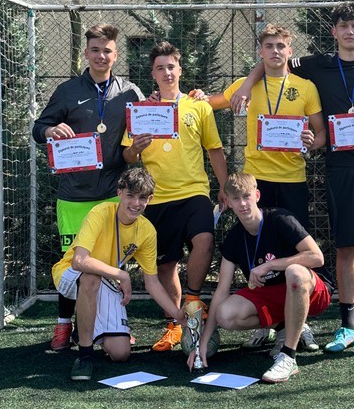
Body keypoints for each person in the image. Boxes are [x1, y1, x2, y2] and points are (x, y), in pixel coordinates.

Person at [231, 2, 354, 359]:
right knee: (345, 249)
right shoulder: (318, 65)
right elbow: (273, 58)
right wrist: (249, 83)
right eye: (343, 25)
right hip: (339, 169)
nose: (349, 31)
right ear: (333, 32)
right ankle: (348, 327)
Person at [203, 24, 326, 353]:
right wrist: (195, 97)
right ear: (260, 52)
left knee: (293, 251)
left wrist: (312, 143)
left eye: (280, 46)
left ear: (289, 50)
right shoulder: (248, 86)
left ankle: (295, 323)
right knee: (255, 249)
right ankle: (266, 318)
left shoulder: (305, 88)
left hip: (292, 181)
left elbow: (321, 135)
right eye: (268, 46)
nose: (274, 51)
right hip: (255, 180)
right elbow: (211, 104)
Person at [32, 23, 144, 351]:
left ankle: (112, 324)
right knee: (72, 264)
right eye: (95, 50)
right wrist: (49, 132)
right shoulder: (67, 90)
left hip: (113, 194)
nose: (101, 55)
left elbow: (148, 117)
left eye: (107, 50)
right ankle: (63, 325)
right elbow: (39, 127)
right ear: (86, 53)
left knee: (111, 263)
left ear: (116, 54)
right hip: (73, 196)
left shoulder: (129, 92)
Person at [122, 41, 228, 352]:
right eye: (160, 68)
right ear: (152, 74)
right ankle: (175, 324)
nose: (167, 72)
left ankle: (194, 299)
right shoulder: (141, 111)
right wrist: (135, 149)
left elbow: (215, 150)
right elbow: (127, 157)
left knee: (204, 241)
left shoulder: (199, 105)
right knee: (165, 267)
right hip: (155, 198)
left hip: (194, 191)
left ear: (180, 70)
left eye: (171, 66)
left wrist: (223, 186)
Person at [189, 172, 332, 383]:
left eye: (246, 196)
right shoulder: (234, 237)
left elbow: (317, 257)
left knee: (294, 272)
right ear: (227, 202)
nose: (243, 204)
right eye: (236, 199)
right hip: (271, 295)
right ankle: (284, 327)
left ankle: (288, 356)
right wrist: (203, 341)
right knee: (225, 314)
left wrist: (271, 265)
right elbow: (221, 291)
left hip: (310, 289)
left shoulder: (281, 219)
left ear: (257, 195)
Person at [52, 167, 185, 381]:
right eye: (130, 195)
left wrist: (177, 315)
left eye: (142, 198)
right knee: (90, 276)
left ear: (150, 199)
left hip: (105, 279)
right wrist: (122, 275)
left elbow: (152, 282)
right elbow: (79, 261)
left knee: (121, 353)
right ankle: (85, 355)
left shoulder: (147, 230)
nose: (136, 203)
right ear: (120, 193)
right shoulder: (101, 212)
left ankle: (86, 327)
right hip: (70, 274)